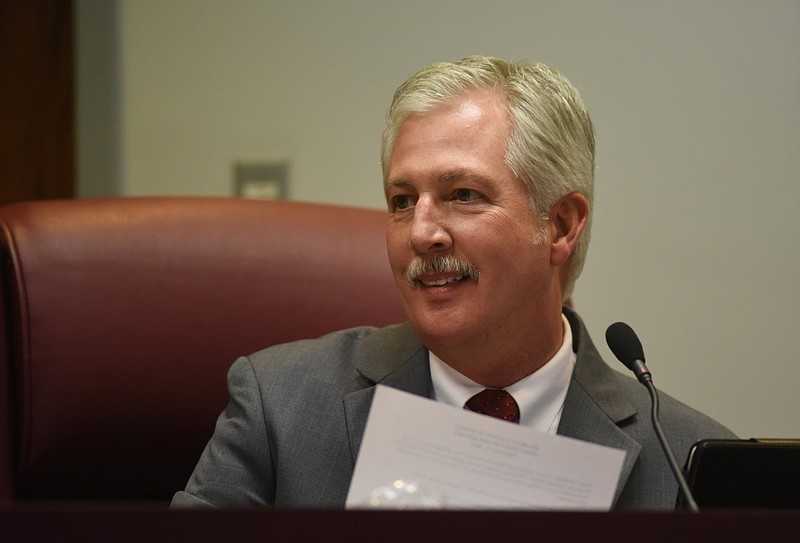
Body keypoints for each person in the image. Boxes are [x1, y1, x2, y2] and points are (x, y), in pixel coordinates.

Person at [172, 56, 734, 509]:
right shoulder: (280, 407)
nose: (421, 233)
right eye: (402, 201)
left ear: (560, 225)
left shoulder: (688, 466)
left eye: (462, 195)